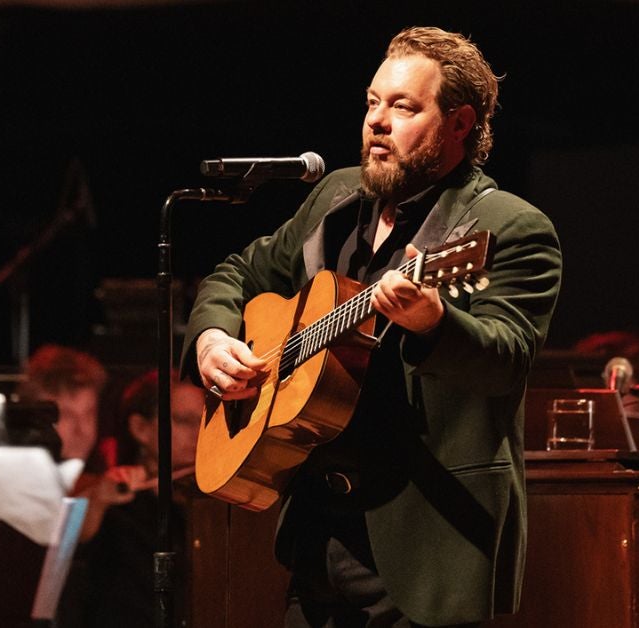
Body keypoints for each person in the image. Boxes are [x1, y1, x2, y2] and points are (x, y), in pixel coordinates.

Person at [182, 27, 562, 627]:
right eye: (372, 103)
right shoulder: (335, 197)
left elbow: (507, 359)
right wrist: (211, 340)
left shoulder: (509, 226)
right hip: (315, 542)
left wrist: (433, 321)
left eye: (404, 106)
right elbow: (238, 274)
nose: (377, 122)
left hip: (428, 548)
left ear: (459, 124)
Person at [71, 369, 203, 626]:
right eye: (184, 420)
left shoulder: (211, 505)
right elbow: (67, 546)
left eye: (204, 421)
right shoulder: (113, 499)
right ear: (140, 428)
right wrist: (98, 500)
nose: (199, 433)